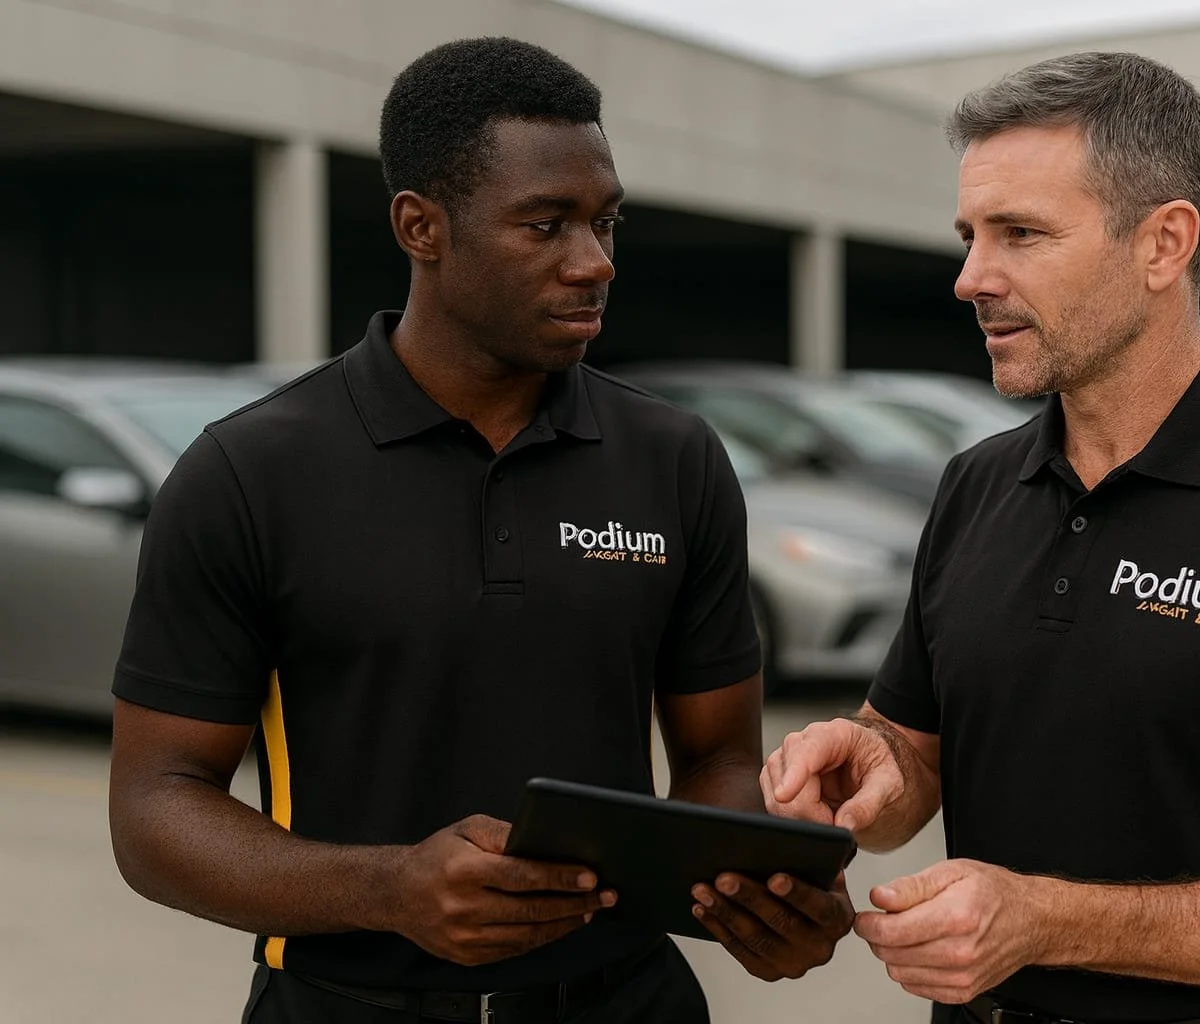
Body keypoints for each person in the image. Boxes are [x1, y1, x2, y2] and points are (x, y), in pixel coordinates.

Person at [108, 37, 851, 1024]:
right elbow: (155, 806)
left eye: (604, 221)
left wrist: (749, 895)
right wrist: (387, 889)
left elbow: (716, 756)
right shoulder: (251, 470)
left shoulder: (675, 458)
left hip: (627, 1005)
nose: (593, 262)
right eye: (544, 225)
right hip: (344, 1004)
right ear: (422, 226)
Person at [763, 51, 1200, 1024]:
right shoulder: (975, 484)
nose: (971, 277)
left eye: (1020, 233)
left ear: (1164, 242)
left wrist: (1047, 920)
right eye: (969, 234)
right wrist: (871, 772)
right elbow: (914, 754)